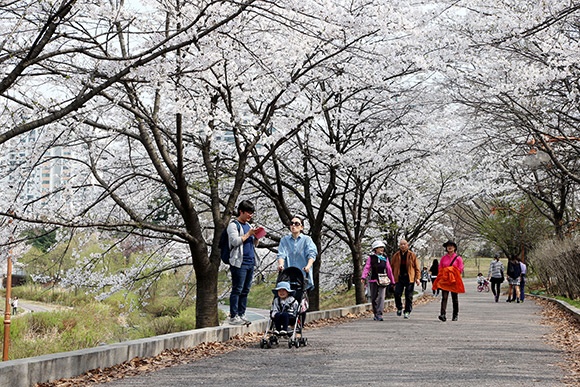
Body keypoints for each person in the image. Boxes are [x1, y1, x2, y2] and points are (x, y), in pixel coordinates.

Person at [228, 200, 259, 325]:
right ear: (241, 211)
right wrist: (248, 234)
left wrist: (256, 237)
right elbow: (235, 241)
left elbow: (254, 244)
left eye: (252, 213)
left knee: (246, 290)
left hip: (250, 262)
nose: (250, 215)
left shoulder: (249, 226)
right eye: (248, 213)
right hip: (239, 262)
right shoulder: (234, 225)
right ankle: (233, 316)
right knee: (237, 289)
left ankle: (242, 314)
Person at [277, 216, 318, 290]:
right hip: (288, 276)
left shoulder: (307, 240)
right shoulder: (284, 240)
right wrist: (281, 265)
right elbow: (281, 254)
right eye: (291, 223)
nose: (293, 226)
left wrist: (308, 266)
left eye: (296, 224)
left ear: (301, 227)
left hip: (303, 276)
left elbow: (312, 254)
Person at [361, 240, 395, 321]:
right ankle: (375, 313)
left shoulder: (385, 258)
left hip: (383, 280)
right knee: (374, 298)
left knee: (381, 297)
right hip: (373, 280)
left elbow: (389, 270)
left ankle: (379, 314)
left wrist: (392, 281)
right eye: (380, 247)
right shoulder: (371, 258)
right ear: (375, 249)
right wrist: (363, 277)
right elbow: (367, 267)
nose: (382, 249)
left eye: (382, 247)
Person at [433, 240, 465, 322]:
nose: (449, 247)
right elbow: (440, 268)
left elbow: (460, 269)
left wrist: (451, 270)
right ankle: (442, 314)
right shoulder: (443, 258)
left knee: (455, 298)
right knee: (444, 297)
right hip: (445, 280)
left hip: (454, 280)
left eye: (451, 246)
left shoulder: (458, 258)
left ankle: (455, 314)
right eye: (448, 246)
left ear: (454, 248)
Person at [390, 239, 421, 319]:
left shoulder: (412, 255)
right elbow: (391, 267)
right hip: (399, 277)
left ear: (408, 245)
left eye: (404, 244)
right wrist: (391, 278)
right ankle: (399, 307)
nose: (403, 246)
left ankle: (407, 311)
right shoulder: (396, 255)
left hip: (409, 277)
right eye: (401, 244)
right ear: (399, 246)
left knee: (408, 295)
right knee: (397, 293)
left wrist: (417, 278)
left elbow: (417, 267)